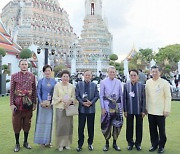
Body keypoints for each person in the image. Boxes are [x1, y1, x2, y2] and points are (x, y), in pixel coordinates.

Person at [10, 59, 37, 152]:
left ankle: (25, 142)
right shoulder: (14, 76)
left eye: (26, 64)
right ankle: (17, 143)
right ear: (19, 65)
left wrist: (34, 103)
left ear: (28, 65)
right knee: (16, 123)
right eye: (22, 64)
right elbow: (12, 91)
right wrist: (12, 104)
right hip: (17, 103)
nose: (24, 66)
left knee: (27, 123)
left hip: (28, 103)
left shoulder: (32, 76)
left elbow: (34, 91)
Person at [146, 66, 171, 153]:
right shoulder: (148, 82)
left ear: (159, 72)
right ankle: (154, 145)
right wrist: (145, 108)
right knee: (152, 130)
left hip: (161, 111)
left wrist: (167, 109)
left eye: (156, 71)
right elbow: (146, 96)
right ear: (150, 72)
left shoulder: (164, 83)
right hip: (150, 110)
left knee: (161, 130)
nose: (154, 73)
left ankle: (161, 146)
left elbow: (168, 97)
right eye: (153, 71)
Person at [100, 66, 123, 151]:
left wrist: (122, 107)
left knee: (117, 126)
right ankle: (107, 143)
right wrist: (102, 107)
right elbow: (101, 96)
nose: (112, 73)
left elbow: (121, 95)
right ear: (107, 73)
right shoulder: (103, 82)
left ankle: (115, 143)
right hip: (107, 107)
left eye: (113, 72)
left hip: (117, 107)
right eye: (110, 72)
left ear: (115, 73)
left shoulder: (118, 82)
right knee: (106, 125)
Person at [52, 70, 76, 152]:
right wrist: (61, 99)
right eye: (64, 76)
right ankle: (60, 144)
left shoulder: (72, 87)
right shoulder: (57, 86)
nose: (65, 78)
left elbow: (74, 97)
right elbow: (54, 97)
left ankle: (67, 143)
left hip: (69, 108)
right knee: (60, 126)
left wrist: (70, 101)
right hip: (60, 108)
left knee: (69, 126)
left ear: (69, 78)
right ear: (61, 77)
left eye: (67, 76)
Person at [76, 70, 99, 152]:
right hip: (82, 110)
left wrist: (91, 102)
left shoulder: (94, 85)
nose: (87, 77)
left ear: (91, 76)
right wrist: (82, 103)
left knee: (91, 127)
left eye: (89, 75)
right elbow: (77, 96)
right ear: (83, 76)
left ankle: (90, 143)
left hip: (91, 110)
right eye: (86, 75)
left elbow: (97, 96)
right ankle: (80, 144)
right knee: (81, 127)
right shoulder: (79, 84)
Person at [123, 69, 146, 151]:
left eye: (134, 75)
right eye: (131, 75)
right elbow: (124, 98)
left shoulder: (142, 86)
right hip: (129, 110)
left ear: (138, 76)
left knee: (139, 127)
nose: (133, 77)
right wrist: (125, 110)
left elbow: (144, 99)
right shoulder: (126, 85)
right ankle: (130, 143)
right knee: (129, 127)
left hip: (139, 110)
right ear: (129, 76)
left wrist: (144, 110)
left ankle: (138, 143)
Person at [34, 65, 56, 147]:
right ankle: (41, 141)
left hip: (50, 105)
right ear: (43, 72)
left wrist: (51, 102)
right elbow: (38, 92)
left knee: (49, 123)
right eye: (46, 71)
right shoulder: (40, 81)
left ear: (51, 71)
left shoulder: (54, 81)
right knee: (41, 123)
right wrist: (41, 102)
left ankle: (48, 141)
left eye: (49, 70)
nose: (47, 72)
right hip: (42, 104)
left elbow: (55, 93)